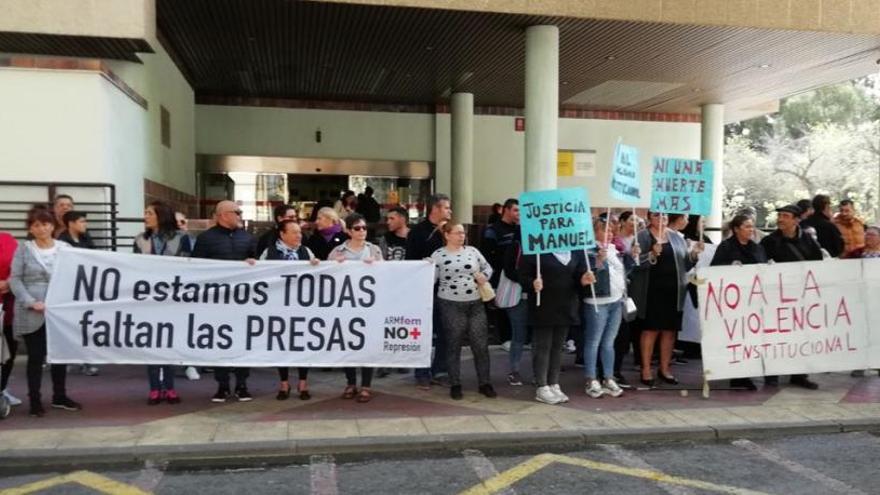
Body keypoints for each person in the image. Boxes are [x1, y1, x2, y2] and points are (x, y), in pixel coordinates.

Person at [9, 207, 81, 417]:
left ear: (53, 225)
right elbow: (15, 278)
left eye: (45, 224)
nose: (41, 228)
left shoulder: (65, 247)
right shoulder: (24, 249)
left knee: (60, 355)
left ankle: (60, 396)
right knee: (36, 357)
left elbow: (75, 274)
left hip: (58, 311)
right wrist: (30, 301)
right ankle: (35, 400)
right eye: (36, 225)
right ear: (30, 228)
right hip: (33, 311)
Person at [192, 200, 258, 402]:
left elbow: (261, 267)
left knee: (242, 341)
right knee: (219, 342)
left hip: (242, 301)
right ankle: (221, 385)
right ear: (223, 215)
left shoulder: (247, 238)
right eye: (236, 212)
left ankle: (242, 383)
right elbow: (196, 267)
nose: (240, 215)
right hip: (216, 301)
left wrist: (253, 263)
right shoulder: (205, 239)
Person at [630, 212, 702, 387]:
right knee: (650, 330)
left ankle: (664, 369)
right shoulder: (642, 237)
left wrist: (694, 254)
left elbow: (685, 265)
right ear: (649, 218)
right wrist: (651, 255)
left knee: (669, 331)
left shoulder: (675, 237)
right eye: (656, 215)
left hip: (674, 292)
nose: (661, 218)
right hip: (651, 292)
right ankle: (646, 369)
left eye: (663, 215)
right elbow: (633, 263)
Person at [133, 201, 192, 405]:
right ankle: (154, 388)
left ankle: (170, 387)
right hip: (149, 297)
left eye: (149, 213)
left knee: (168, 342)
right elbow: (134, 266)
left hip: (172, 298)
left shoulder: (181, 238)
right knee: (151, 342)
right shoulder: (140, 240)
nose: (146, 216)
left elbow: (187, 265)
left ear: (161, 215)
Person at [431, 221, 496, 400]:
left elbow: (488, 267)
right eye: (458, 233)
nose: (462, 236)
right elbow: (431, 279)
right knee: (453, 344)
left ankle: (485, 382)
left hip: (475, 302)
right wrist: (426, 267)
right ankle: (455, 383)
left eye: (463, 233)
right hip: (450, 303)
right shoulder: (438, 255)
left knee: (480, 344)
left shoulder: (473, 251)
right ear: (447, 235)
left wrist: (485, 276)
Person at [520, 248, 594, 405]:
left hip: (566, 304)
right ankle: (542, 385)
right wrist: (532, 283)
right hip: (544, 304)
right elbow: (522, 275)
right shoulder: (536, 251)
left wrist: (584, 280)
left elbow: (578, 276)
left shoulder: (576, 252)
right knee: (543, 346)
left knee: (558, 346)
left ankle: (554, 382)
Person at [760, 204, 822, 390]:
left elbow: (818, 264)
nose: (780, 219)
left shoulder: (808, 240)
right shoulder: (769, 241)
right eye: (779, 215)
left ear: (796, 220)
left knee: (801, 334)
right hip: (776, 297)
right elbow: (760, 267)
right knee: (774, 334)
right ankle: (772, 374)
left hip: (802, 296)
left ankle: (799, 374)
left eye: (785, 216)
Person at [260, 220, 320, 400]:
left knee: (302, 343)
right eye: (294, 232)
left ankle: (303, 382)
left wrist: (318, 265)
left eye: (300, 232)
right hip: (278, 306)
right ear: (282, 234)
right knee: (281, 343)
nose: (299, 236)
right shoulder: (269, 253)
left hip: (301, 306)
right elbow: (259, 275)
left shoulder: (305, 252)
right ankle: (284, 383)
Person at [710, 214, 768, 390]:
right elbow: (714, 270)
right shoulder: (726, 247)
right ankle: (736, 375)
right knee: (736, 337)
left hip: (754, 301)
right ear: (736, 229)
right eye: (747, 227)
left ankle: (746, 373)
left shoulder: (756, 248)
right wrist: (729, 266)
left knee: (751, 338)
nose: (751, 230)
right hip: (733, 303)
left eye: (752, 227)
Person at [583, 217, 638, 398]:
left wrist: (633, 257)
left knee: (609, 342)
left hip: (616, 300)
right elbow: (586, 275)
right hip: (598, 302)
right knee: (594, 341)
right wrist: (599, 261)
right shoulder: (587, 250)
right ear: (595, 232)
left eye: (610, 230)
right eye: (604, 230)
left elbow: (624, 272)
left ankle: (608, 377)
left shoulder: (615, 250)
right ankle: (591, 378)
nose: (609, 233)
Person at [330, 213, 383, 403]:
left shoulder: (374, 250)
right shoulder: (338, 251)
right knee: (348, 344)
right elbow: (327, 276)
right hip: (346, 304)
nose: (362, 231)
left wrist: (375, 266)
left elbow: (387, 274)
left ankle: (366, 385)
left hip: (368, 305)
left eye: (364, 228)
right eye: (357, 228)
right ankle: (351, 382)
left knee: (368, 344)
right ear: (349, 231)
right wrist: (336, 264)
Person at [406, 193, 452, 389]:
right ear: (435, 209)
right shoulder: (417, 231)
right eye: (446, 207)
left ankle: (440, 370)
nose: (450, 211)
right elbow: (410, 260)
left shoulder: (451, 231)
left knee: (446, 331)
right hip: (425, 290)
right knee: (425, 332)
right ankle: (422, 372)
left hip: (448, 289)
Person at [56, 210, 100, 377]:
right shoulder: (61, 241)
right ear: (71, 223)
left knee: (86, 323)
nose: (85, 225)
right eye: (82, 221)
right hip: (69, 288)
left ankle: (87, 361)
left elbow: (96, 256)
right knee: (69, 324)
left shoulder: (86, 238)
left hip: (87, 286)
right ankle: (66, 358)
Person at [0, 231, 21, 408]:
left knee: (8, 352)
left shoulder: (7, 239)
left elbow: (18, 267)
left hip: (7, 309)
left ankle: (2, 389)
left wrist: (8, 282)